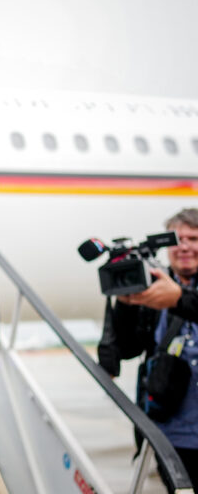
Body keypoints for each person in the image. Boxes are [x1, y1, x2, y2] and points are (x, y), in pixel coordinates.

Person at [98, 208, 198, 488]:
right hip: (169, 433)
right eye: (177, 240)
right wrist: (126, 304)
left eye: (193, 239)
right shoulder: (154, 287)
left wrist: (179, 299)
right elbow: (129, 349)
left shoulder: (170, 292)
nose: (184, 247)